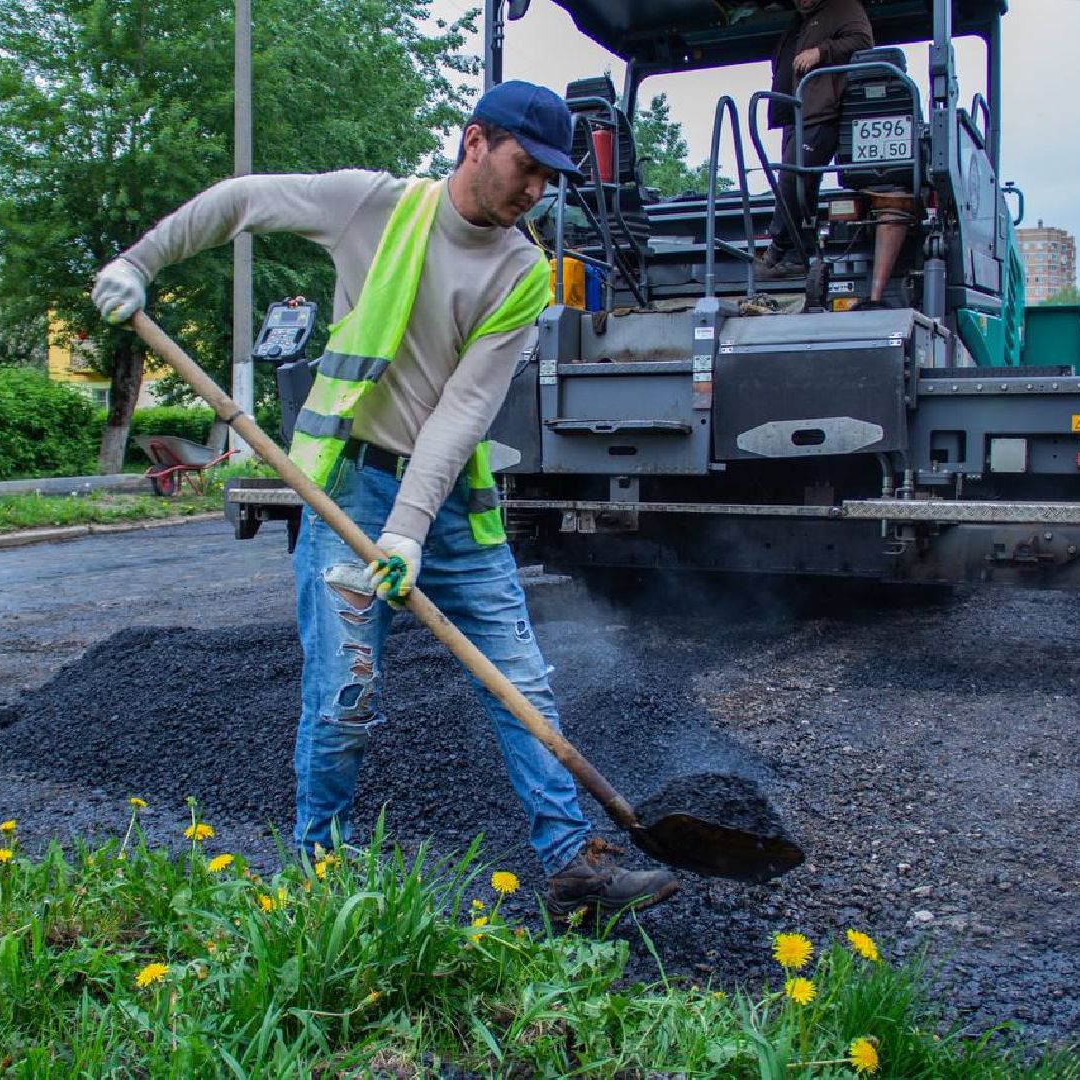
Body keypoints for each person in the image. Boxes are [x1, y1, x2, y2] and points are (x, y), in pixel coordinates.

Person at [92, 82, 681, 921]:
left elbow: (462, 413)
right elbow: (240, 200)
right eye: (526, 168)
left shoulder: (522, 271)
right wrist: (137, 263)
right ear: (475, 142)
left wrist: (408, 530)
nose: (535, 192)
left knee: (521, 686)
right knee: (345, 695)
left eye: (551, 179)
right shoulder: (372, 206)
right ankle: (316, 881)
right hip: (347, 490)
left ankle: (572, 867)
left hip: (446, 504)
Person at [758, 0, 874, 279]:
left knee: (791, 177)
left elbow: (862, 40)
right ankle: (800, 256)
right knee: (803, 185)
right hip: (794, 113)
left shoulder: (844, 7)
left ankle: (776, 247)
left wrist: (821, 52)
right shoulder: (799, 19)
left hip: (823, 112)